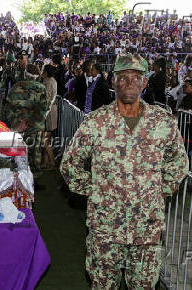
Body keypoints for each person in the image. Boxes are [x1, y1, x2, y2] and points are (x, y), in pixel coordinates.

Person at [60, 54, 189, 288]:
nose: (129, 83)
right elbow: (70, 165)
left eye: (136, 77)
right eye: (123, 77)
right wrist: (98, 190)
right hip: (105, 230)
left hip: (146, 230)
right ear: (113, 81)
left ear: (145, 83)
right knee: (103, 285)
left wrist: (158, 192)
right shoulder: (96, 122)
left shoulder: (163, 122)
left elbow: (178, 163)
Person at [4, 64, 51, 189]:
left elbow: (7, 108)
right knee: (35, 156)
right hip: (35, 129)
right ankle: (33, 182)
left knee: (17, 155)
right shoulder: (41, 88)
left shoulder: (15, 87)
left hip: (17, 129)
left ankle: (17, 181)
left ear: (26, 74)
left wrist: (17, 123)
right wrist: (30, 124)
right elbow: (43, 110)